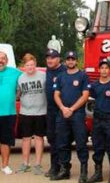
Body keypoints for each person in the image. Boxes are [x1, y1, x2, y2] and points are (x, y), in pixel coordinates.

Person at [52, 51, 90, 182]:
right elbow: (56, 94)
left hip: (77, 114)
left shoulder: (83, 76)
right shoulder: (61, 76)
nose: (70, 61)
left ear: (76, 61)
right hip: (62, 114)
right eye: (68, 59)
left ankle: (83, 171)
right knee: (62, 143)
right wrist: (63, 108)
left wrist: (72, 109)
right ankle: (65, 170)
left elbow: (85, 96)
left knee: (81, 143)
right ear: (65, 61)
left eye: (72, 59)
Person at [87, 58, 110, 183]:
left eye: (106, 68)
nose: (104, 70)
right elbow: (90, 98)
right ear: (99, 70)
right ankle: (98, 173)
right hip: (97, 119)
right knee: (97, 147)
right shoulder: (94, 85)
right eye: (102, 68)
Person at [15, 53, 47, 175]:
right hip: (25, 112)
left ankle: (38, 164)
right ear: (24, 66)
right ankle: (25, 164)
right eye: (28, 65)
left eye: (32, 64)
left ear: (36, 64)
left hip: (41, 112)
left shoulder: (43, 76)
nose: (30, 67)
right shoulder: (20, 78)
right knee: (26, 139)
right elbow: (18, 94)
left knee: (39, 138)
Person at [44, 48, 66, 178]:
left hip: (61, 110)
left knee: (61, 139)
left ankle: (62, 167)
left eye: (52, 58)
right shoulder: (47, 71)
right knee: (52, 138)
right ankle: (54, 166)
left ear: (58, 59)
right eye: (47, 58)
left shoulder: (64, 71)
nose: (49, 60)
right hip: (50, 110)